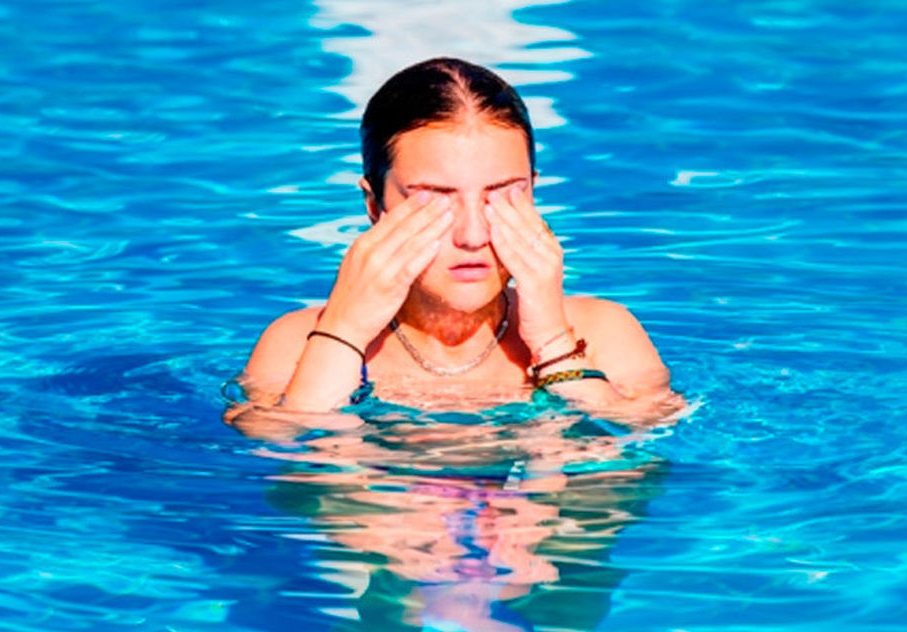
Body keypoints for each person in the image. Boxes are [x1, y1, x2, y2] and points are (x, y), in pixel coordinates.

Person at [234, 57, 677, 420]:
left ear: (534, 192)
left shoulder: (601, 333)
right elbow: (287, 462)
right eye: (435, 200)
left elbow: (632, 465)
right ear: (374, 206)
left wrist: (553, 343)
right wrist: (345, 332)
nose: (473, 234)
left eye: (502, 197)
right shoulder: (298, 344)